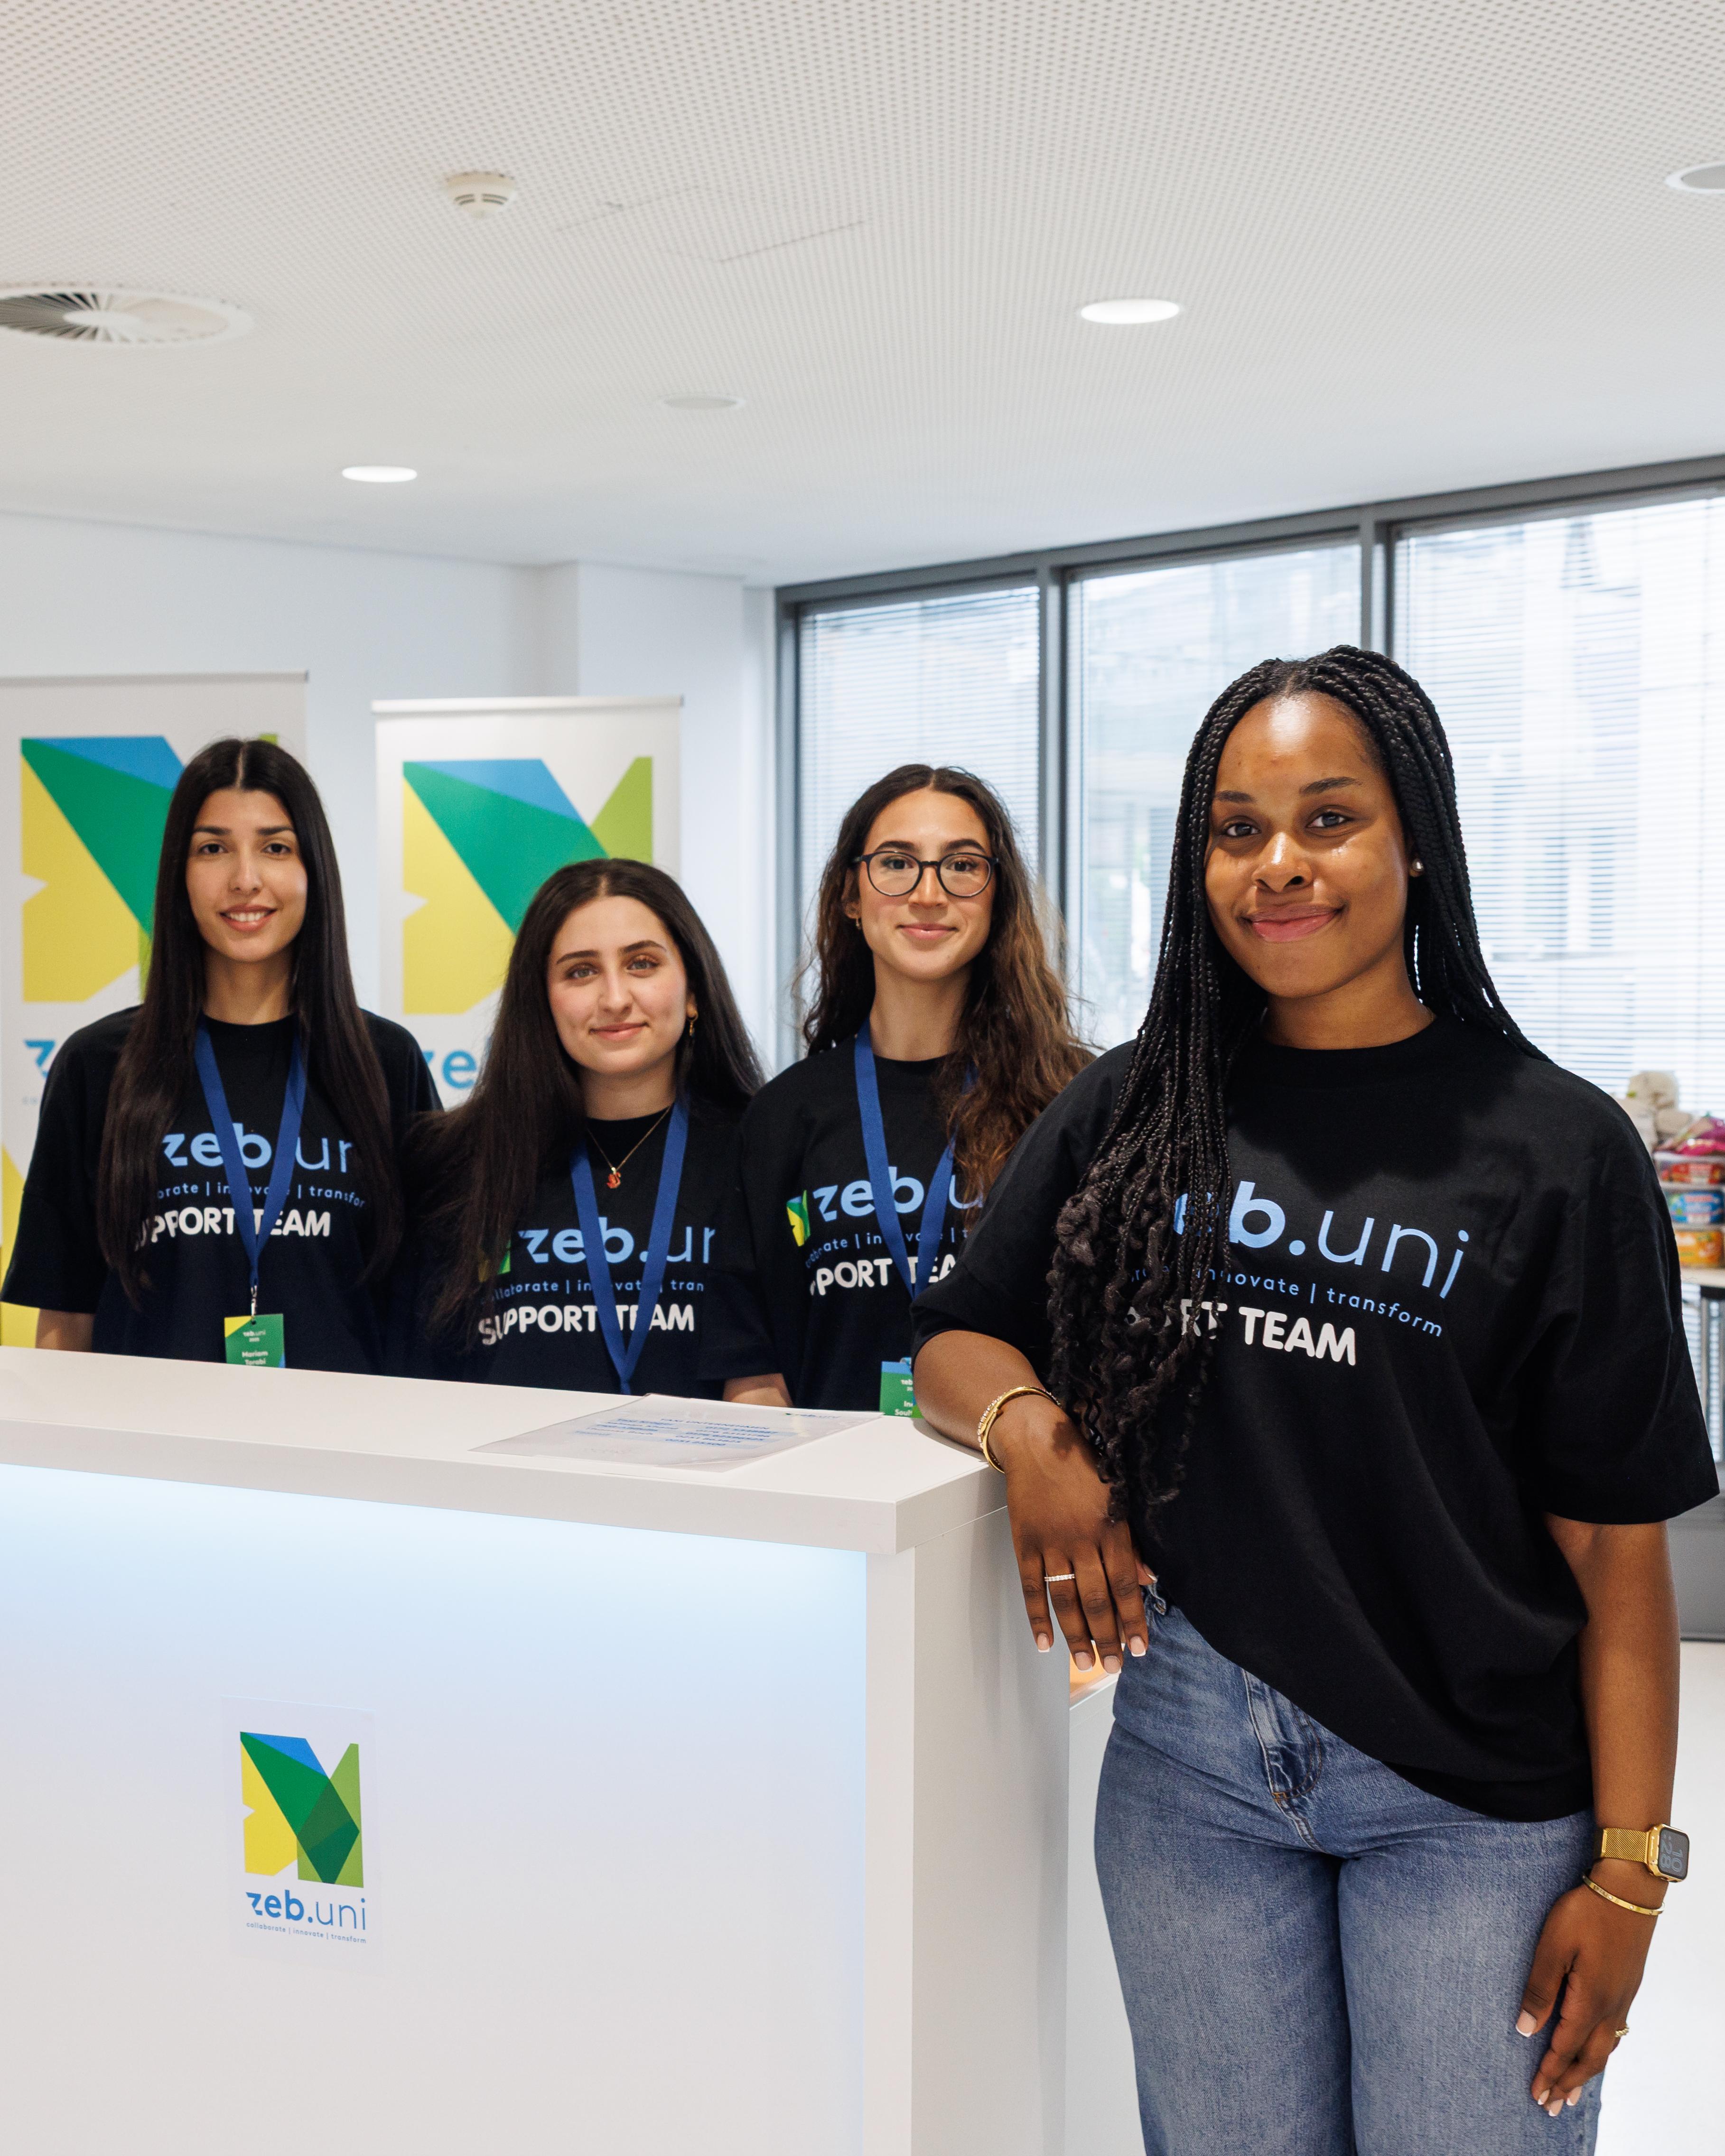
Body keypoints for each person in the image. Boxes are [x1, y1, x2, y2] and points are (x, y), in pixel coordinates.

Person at [911, 647, 1716, 2155]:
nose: (1275, 863)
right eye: (1232, 826)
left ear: (1413, 835)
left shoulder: (1555, 1145)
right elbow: (957, 1332)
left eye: (1325, 817)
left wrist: (1627, 1871)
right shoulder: (1140, 1100)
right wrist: (1034, 1431)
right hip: (1186, 1768)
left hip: (1465, 1795)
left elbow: (1617, 1557)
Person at [6, 737, 436, 1369]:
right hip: (149, 1454)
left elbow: (419, 1306)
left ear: (312, 869)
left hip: (341, 1452)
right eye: (213, 848)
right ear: (179, 873)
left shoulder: (384, 1061)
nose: (245, 879)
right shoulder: (98, 1065)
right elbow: (66, 1316)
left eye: (275, 847)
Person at [703, 762, 1089, 1413]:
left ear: (997, 898)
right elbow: (752, 1364)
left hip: (1010, 1494)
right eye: (896, 863)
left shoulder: (1070, 1099)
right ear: (851, 896)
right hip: (836, 1494)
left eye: (962, 866)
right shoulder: (785, 1113)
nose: (928, 893)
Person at [400, 859, 761, 1394]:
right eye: (580, 971)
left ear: (692, 991)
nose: (614, 998)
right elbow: (417, 1375)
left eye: (641, 963)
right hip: (506, 1478)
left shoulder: (759, 1153)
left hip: (701, 1477)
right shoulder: (453, 1162)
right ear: (541, 999)